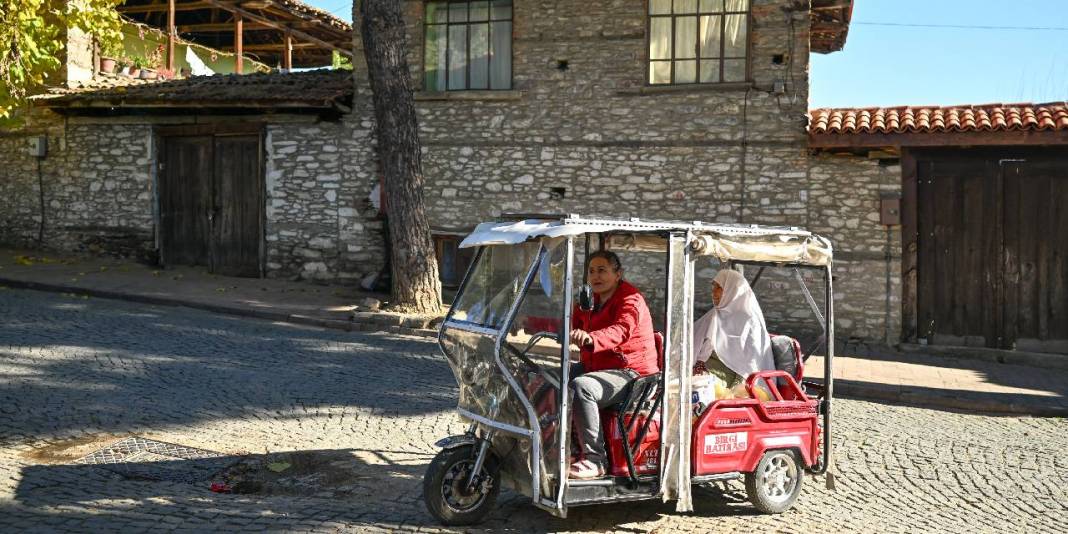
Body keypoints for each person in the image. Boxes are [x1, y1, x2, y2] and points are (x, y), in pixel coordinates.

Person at [567, 250, 658, 479]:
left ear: (618, 274)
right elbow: (570, 320)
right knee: (548, 377)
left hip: (634, 374)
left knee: (582, 387)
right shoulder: (592, 301)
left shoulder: (631, 299)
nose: (596, 276)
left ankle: (595, 460)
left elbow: (621, 330)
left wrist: (591, 338)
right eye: (591, 271)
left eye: (602, 270)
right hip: (599, 366)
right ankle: (567, 448)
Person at [692, 269, 774, 386]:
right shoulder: (715, 314)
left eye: (719, 288)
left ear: (732, 290)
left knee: (694, 387)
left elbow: (751, 364)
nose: (714, 293)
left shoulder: (749, 320)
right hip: (701, 368)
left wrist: (736, 390)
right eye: (713, 288)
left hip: (726, 376)